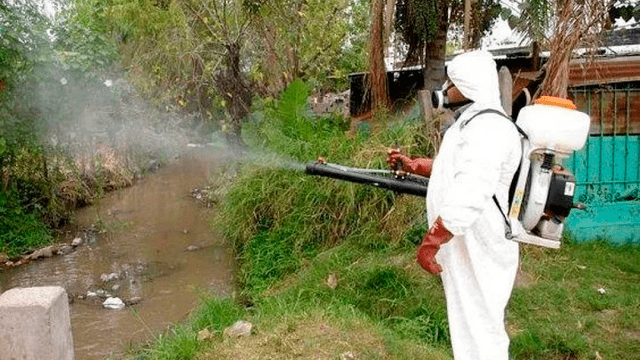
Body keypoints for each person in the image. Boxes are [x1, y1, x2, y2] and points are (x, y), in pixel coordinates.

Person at [387, 50, 522, 360]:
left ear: (470, 86)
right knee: (467, 318)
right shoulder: (473, 123)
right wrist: (415, 165)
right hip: (464, 239)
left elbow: (471, 189)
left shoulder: (490, 128)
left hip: (480, 241)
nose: (446, 90)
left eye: (453, 83)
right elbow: (454, 166)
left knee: (480, 322)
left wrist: (431, 242)